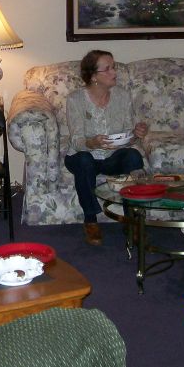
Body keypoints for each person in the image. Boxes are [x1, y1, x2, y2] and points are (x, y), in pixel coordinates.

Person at [64, 50, 148, 246]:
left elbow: (127, 135)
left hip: (111, 157)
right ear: (94, 76)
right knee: (84, 159)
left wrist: (136, 133)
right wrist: (92, 143)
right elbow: (76, 140)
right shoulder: (75, 99)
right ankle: (91, 220)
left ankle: (131, 220)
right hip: (83, 155)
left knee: (133, 156)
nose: (114, 72)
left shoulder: (122, 96)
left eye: (114, 67)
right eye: (108, 69)